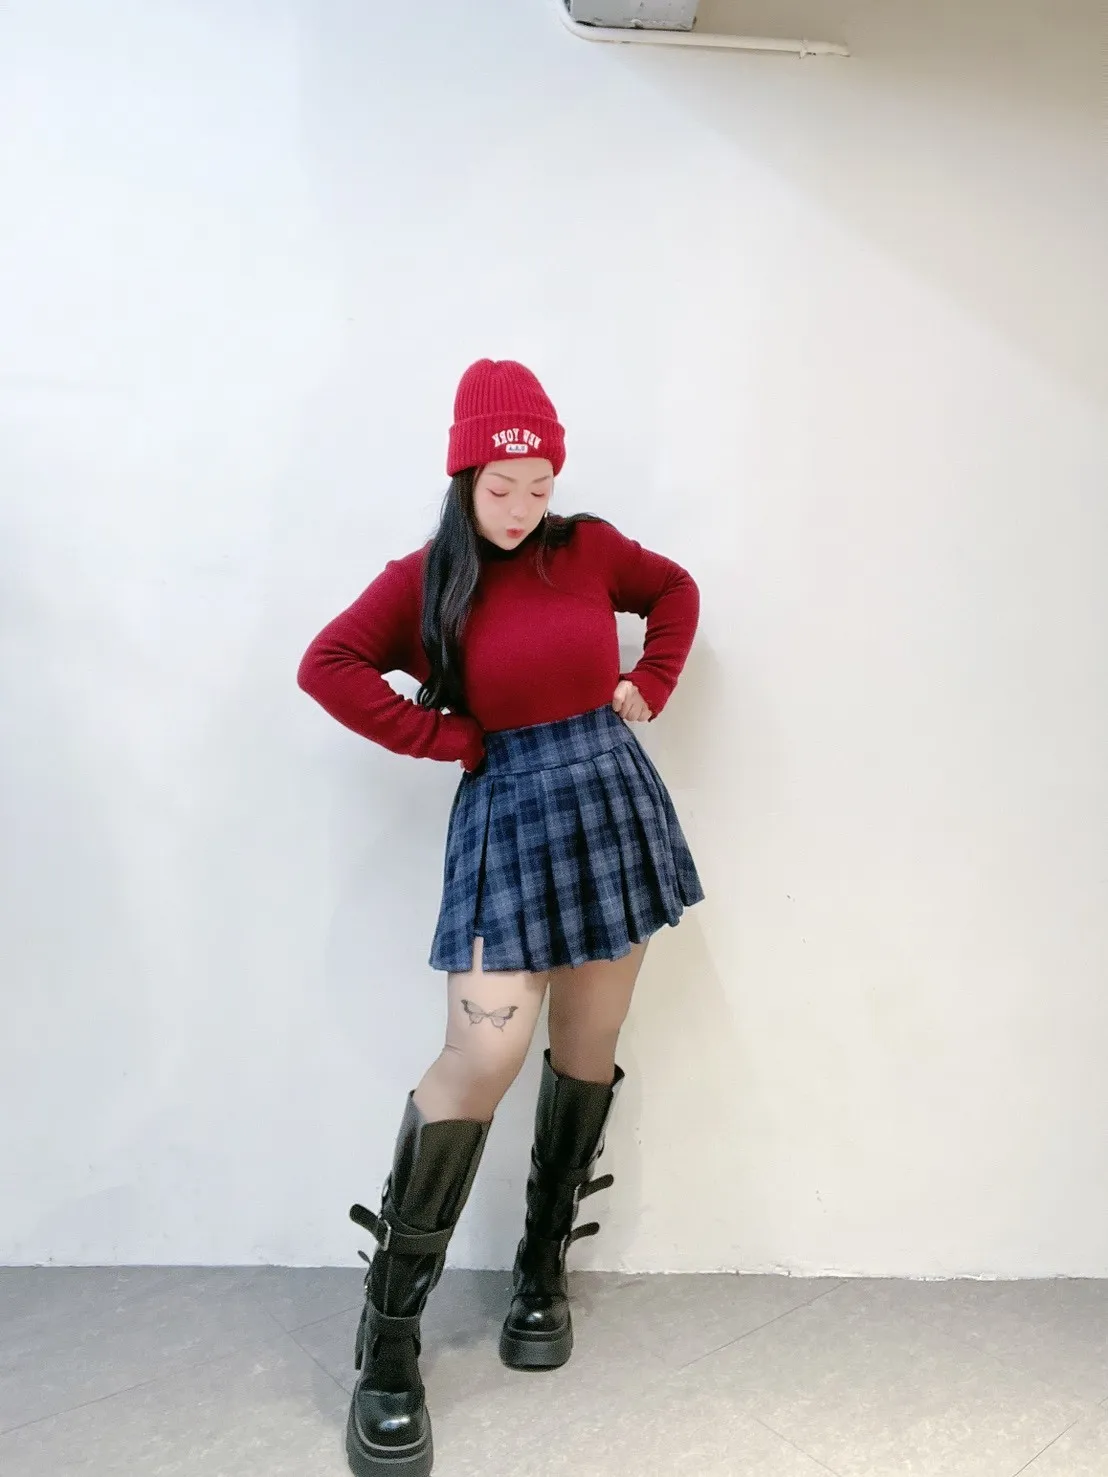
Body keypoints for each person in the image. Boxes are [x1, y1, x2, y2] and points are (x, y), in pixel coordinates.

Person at [297, 359, 704, 1477]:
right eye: (501, 486)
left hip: (610, 803)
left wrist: (653, 680)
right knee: (482, 1051)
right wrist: (446, 737)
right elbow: (328, 664)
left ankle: (539, 1274)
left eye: (539, 485)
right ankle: (389, 1338)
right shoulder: (426, 580)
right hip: (507, 821)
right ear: (463, 475)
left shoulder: (590, 548)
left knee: (587, 1042)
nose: (523, 506)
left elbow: (674, 591)